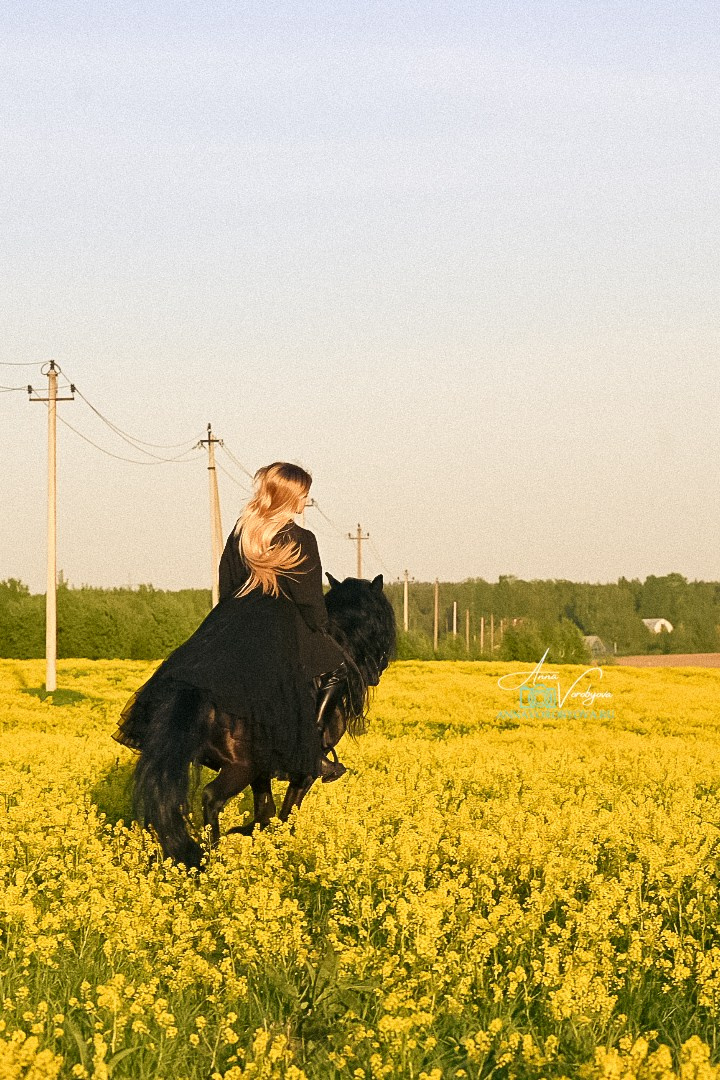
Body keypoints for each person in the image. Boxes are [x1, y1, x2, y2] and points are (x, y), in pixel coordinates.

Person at [114, 462, 348, 783]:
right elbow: (308, 599)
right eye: (303, 493)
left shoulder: (243, 532)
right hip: (280, 624)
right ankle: (313, 751)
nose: (306, 500)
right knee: (336, 667)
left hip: (231, 620)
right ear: (288, 495)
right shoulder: (300, 538)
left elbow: (227, 585)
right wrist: (320, 626)